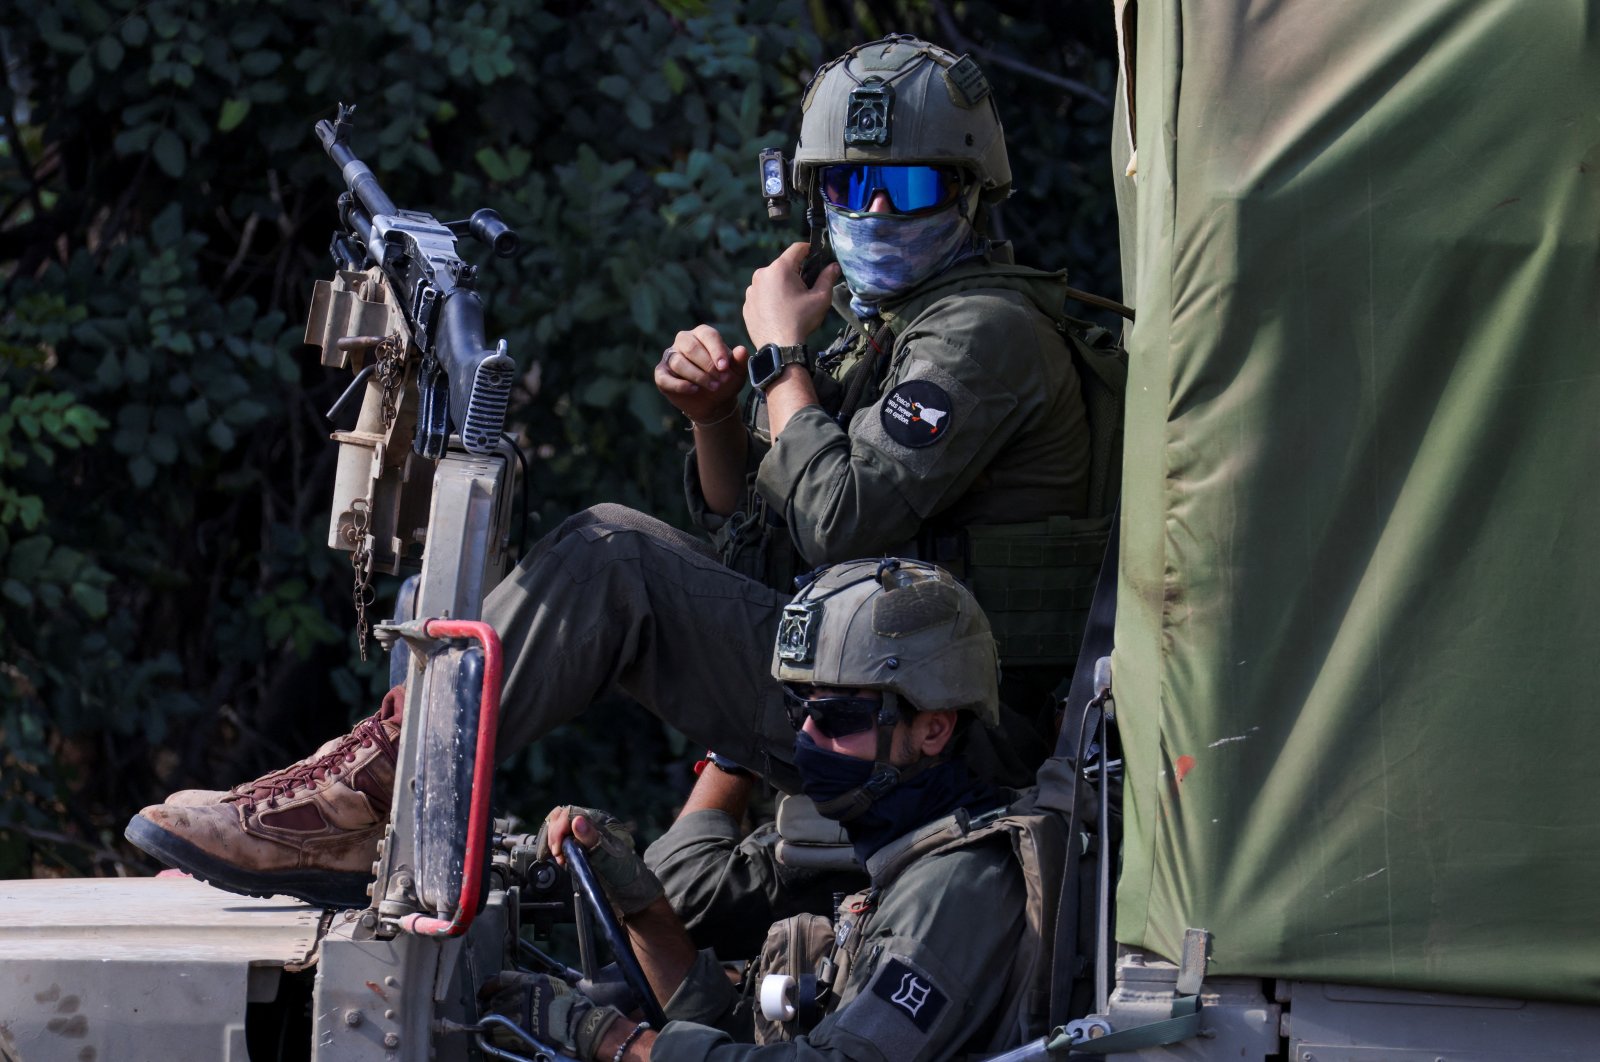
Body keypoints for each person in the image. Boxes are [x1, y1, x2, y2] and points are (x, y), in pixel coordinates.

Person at [124, 34, 1094, 909]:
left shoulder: (984, 334)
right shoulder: (889, 336)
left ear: (971, 196)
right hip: (872, 687)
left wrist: (776, 358)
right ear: (810, 200)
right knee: (620, 559)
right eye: (849, 188)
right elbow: (752, 539)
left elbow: (842, 520)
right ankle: (362, 788)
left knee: (611, 559)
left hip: (940, 726)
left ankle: (355, 797)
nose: (876, 212)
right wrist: (718, 418)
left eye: (911, 189)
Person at [481, 559, 1063, 1062]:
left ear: (933, 729)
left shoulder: (957, 887)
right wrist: (643, 905)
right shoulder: (898, 862)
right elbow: (743, 1037)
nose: (808, 737)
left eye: (836, 719)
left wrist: (615, 1042)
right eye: (798, 712)